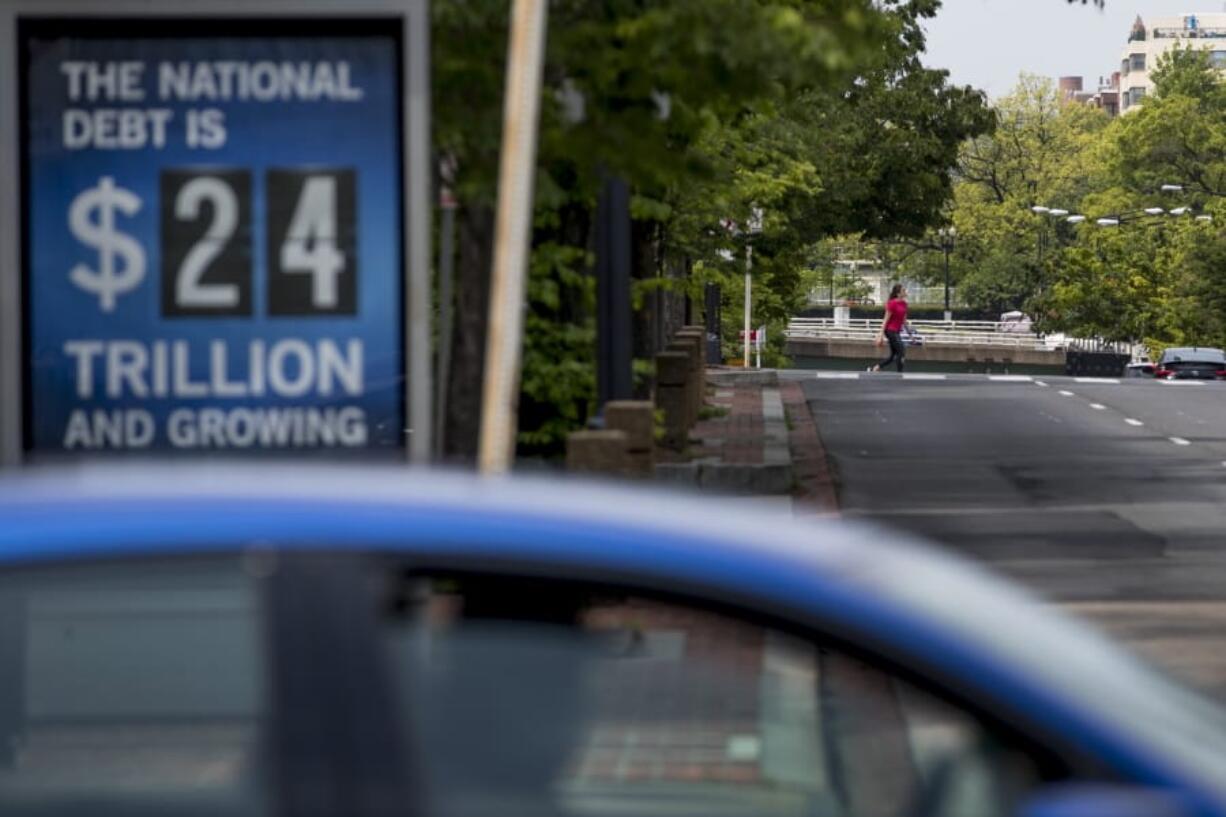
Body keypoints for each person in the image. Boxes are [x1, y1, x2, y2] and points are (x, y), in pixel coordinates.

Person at [869, 284, 911, 372]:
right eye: (903, 290)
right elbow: (886, 319)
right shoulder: (892, 303)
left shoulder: (904, 304)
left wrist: (909, 332)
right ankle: (900, 374)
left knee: (893, 355)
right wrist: (880, 334)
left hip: (897, 331)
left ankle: (876, 368)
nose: (905, 291)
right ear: (898, 293)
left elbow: (904, 320)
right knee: (901, 350)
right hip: (890, 330)